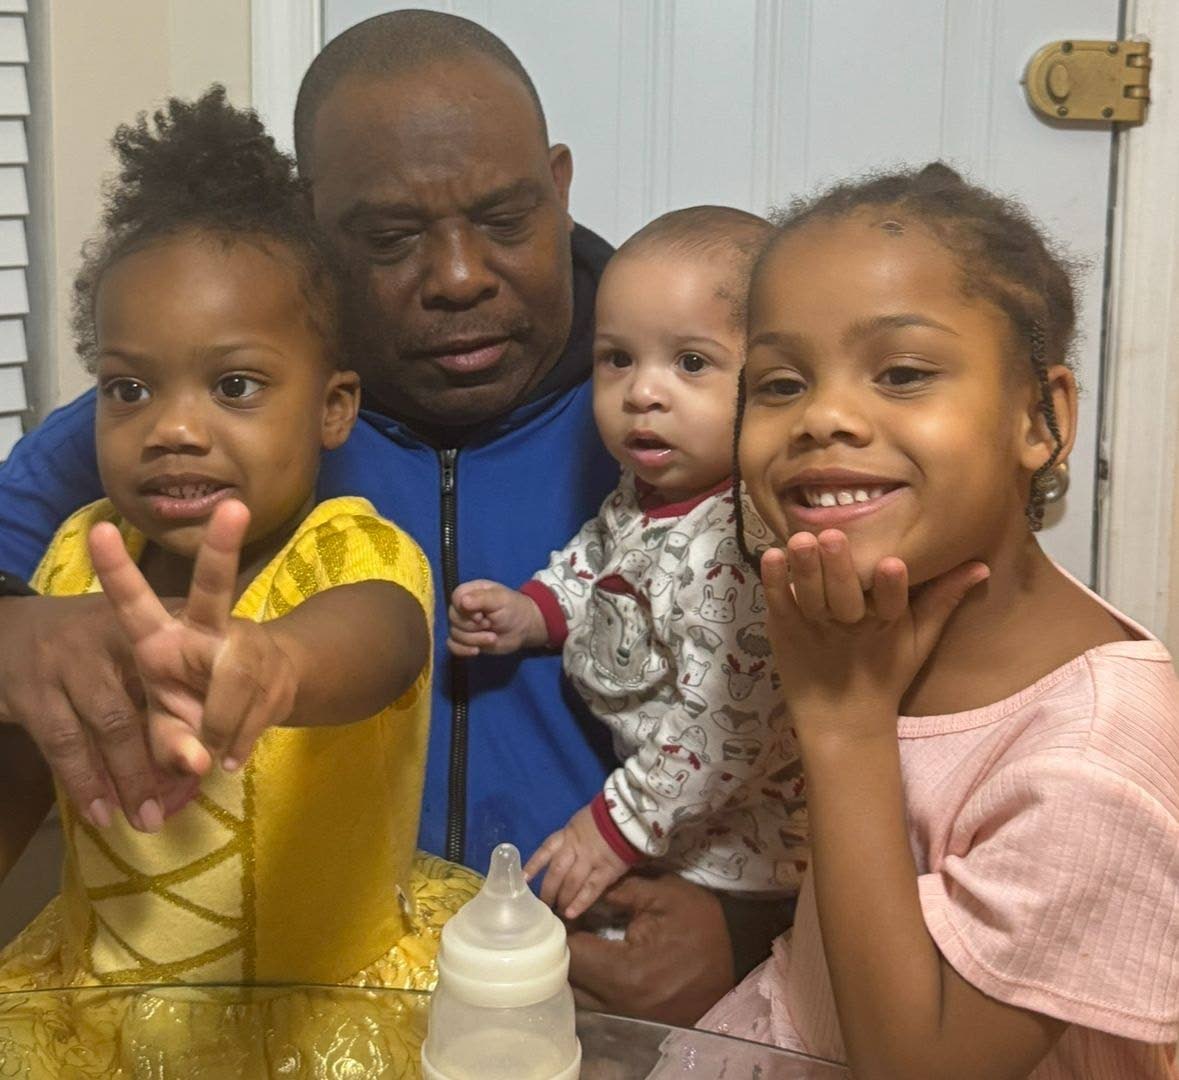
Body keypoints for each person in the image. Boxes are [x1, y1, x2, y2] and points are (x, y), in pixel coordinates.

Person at [0, 11, 743, 1021]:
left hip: (588, 995)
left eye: (507, 219)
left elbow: (889, 699)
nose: (459, 276)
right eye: (391, 239)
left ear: (561, 187)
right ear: (311, 226)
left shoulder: (708, 412)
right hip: (273, 996)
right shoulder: (201, 420)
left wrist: (743, 924)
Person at [0, 88, 480, 1075]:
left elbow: (381, 639)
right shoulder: (75, 557)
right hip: (103, 1017)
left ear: (334, 406)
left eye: (234, 386)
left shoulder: (355, 553)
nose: (173, 425)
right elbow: (27, 754)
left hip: (328, 1017)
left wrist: (276, 661)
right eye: (130, 388)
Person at [698, 163, 1179, 1077]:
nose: (823, 416)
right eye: (778, 383)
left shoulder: (1091, 761)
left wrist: (844, 724)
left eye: (904, 373)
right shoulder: (858, 626)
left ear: (1041, 416)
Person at [448, 207, 807, 920]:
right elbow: (602, 558)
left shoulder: (743, 544)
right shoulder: (649, 493)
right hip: (674, 827)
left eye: (691, 363)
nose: (642, 392)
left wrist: (613, 829)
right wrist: (536, 611)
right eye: (617, 359)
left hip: (745, 856)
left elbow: (722, 727)